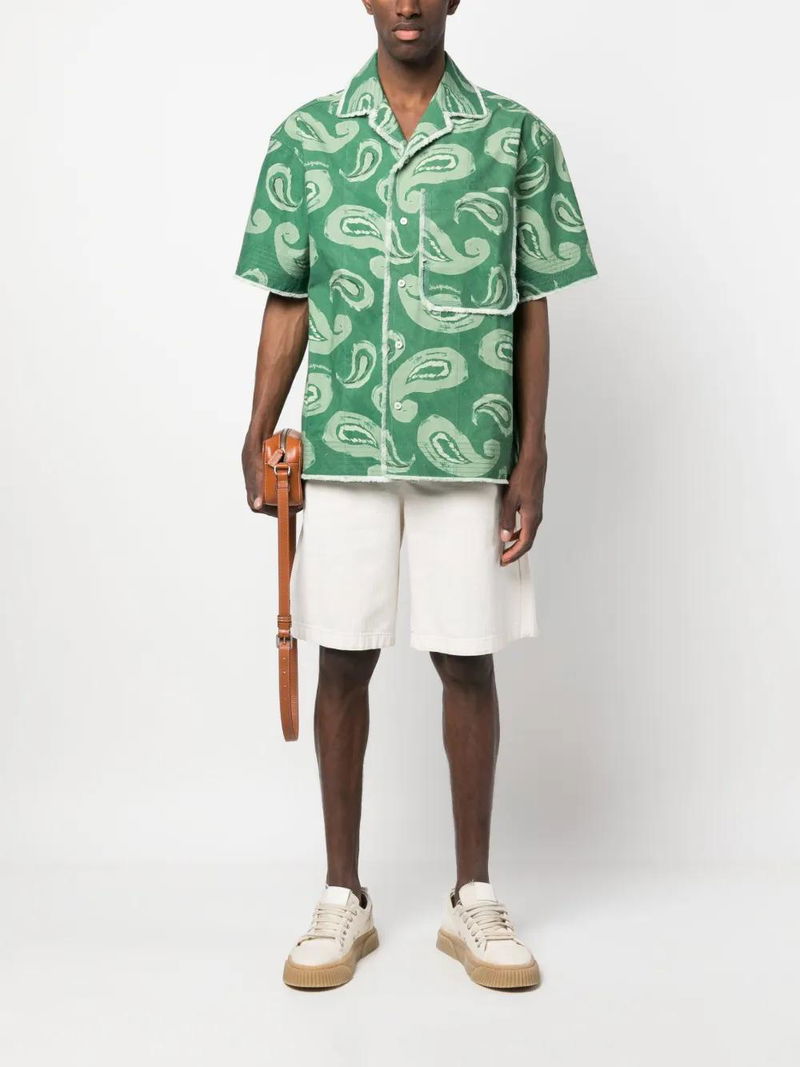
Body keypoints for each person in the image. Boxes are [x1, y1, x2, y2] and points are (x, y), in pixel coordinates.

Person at [235, 0, 596, 991]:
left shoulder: (514, 137)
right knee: (341, 657)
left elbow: (533, 301)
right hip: (344, 442)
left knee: (466, 659)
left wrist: (531, 451)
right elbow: (288, 294)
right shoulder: (306, 138)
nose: (406, 4)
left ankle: (472, 895)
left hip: (469, 446)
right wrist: (257, 425)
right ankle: (340, 895)